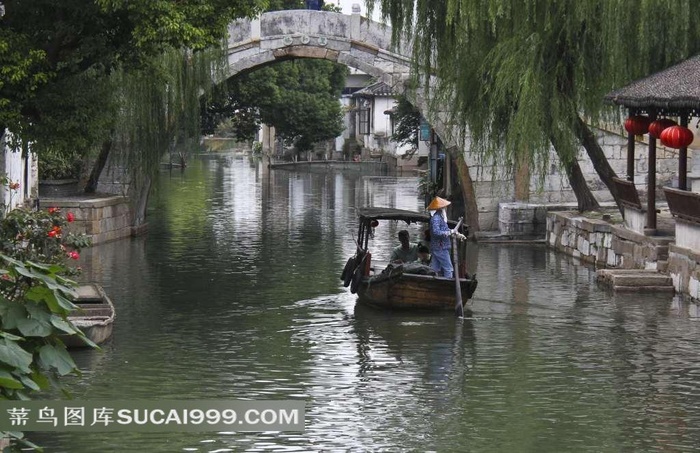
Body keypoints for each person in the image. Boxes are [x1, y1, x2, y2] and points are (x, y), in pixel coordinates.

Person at [427, 196, 466, 278]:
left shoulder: (441, 217)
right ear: (441, 208)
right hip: (440, 247)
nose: (446, 208)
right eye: (445, 207)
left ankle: (434, 284)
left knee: (435, 269)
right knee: (448, 268)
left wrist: (457, 234)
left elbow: (446, 229)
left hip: (439, 247)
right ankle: (448, 285)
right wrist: (449, 233)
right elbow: (436, 232)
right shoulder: (436, 218)